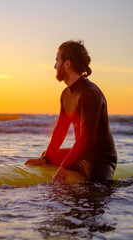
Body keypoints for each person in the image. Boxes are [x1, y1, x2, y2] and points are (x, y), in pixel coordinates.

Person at [25, 40, 117, 183]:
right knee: (49, 155)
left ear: (67, 64)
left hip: (99, 160)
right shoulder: (65, 94)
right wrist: (46, 158)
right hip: (82, 156)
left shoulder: (90, 93)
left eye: (57, 61)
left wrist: (64, 167)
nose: (55, 65)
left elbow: (86, 138)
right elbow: (60, 129)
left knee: (94, 191)